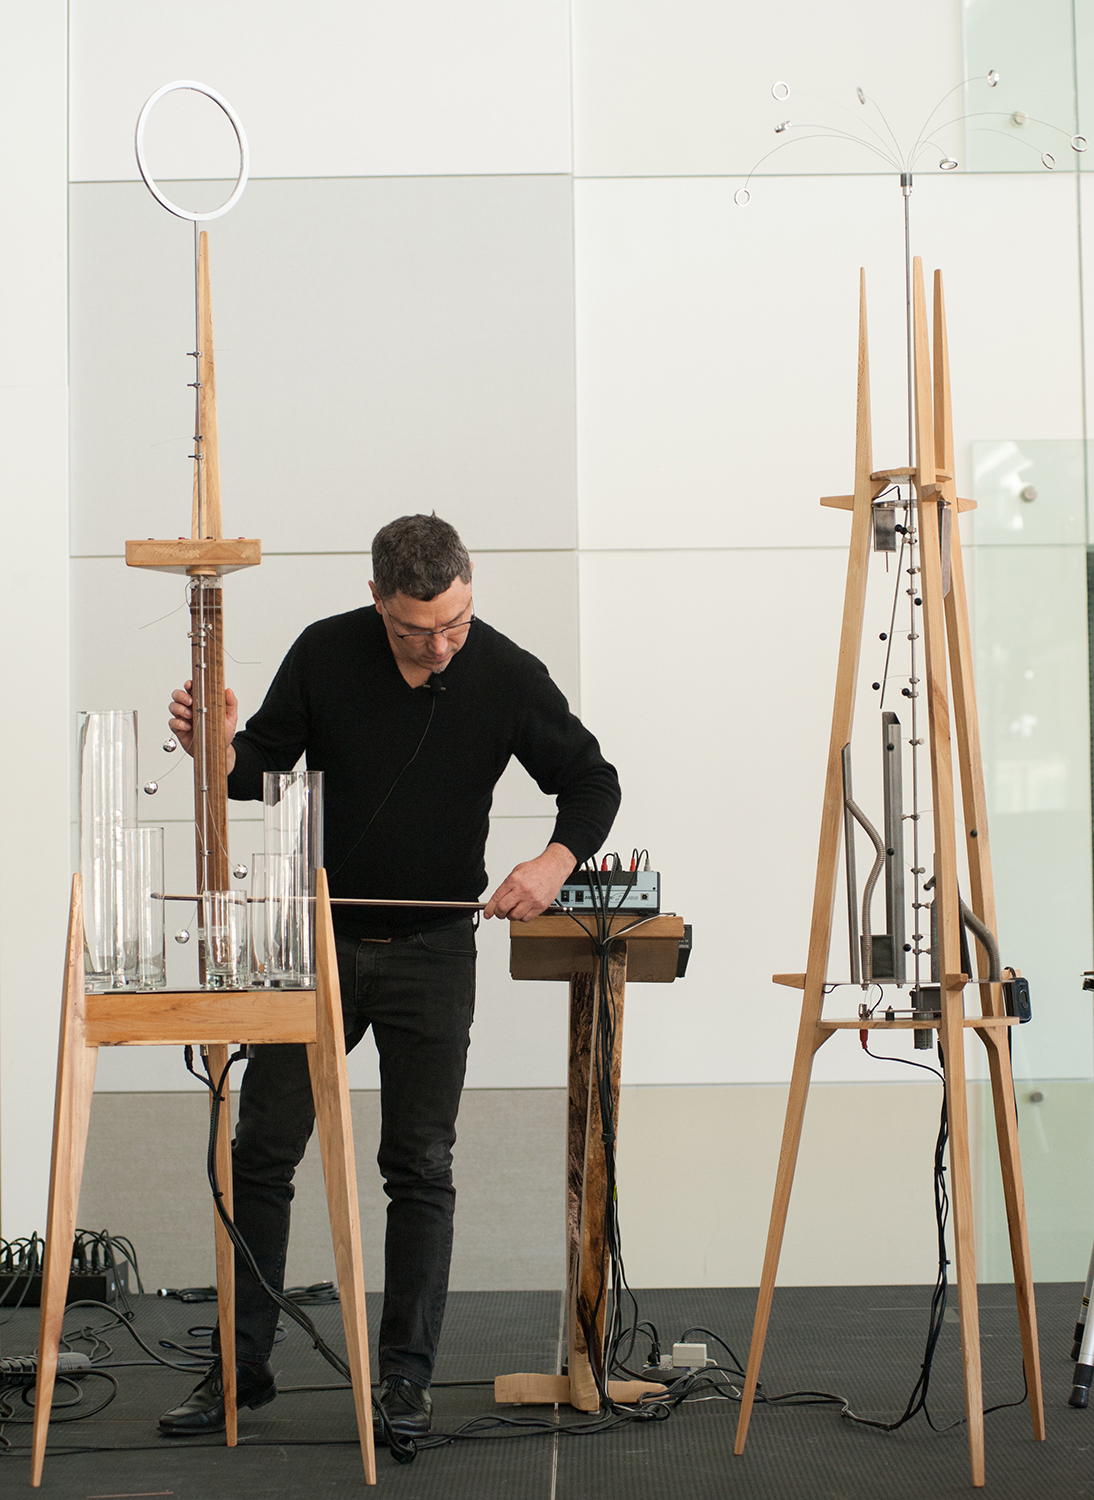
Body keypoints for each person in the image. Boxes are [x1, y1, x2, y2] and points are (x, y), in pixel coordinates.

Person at [157, 514, 621, 1440]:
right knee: (262, 1153)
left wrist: (553, 863)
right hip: (316, 941)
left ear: (470, 588)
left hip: (435, 950)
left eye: (455, 623)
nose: (440, 646)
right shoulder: (325, 652)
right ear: (377, 600)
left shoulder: (505, 671)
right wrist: (217, 748)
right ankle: (241, 1370)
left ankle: (405, 1380)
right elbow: (255, 773)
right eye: (417, 631)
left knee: (419, 1165)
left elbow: (591, 780)